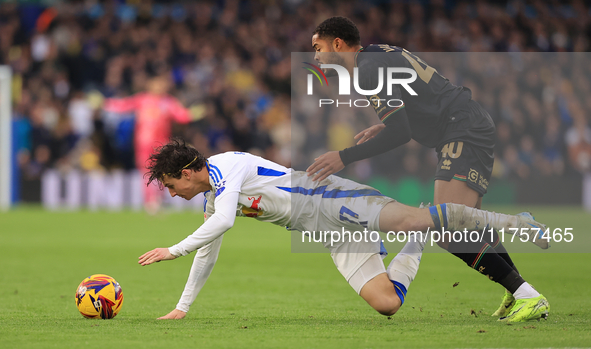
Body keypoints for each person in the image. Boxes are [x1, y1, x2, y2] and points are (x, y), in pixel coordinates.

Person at [138, 138, 549, 322]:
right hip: (328, 232)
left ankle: (517, 223)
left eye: (172, 186)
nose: (173, 195)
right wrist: (183, 306)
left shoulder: (226, 167)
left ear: (187, 171)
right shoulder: (213, 198)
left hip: (329, 198)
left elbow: (225, 221)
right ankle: (417, 241)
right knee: (387, 304)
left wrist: (173, 250)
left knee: (413, 217)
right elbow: (210, 247)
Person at [306, 16, 538, 318]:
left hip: (461, 128)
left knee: (447, 228)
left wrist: (344, 156)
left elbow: (400, 132)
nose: (316, 56)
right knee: (470, 225)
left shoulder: (367, 71)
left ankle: (525, 291)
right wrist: (386, 124)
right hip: (467, 122)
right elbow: (417, 101)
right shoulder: (377, 53)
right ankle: (517, 290)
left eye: (318, 47)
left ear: (337, 43)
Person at [102, 75, 204, 213]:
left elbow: (181, 115)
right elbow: (123, 105)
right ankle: (150, 202)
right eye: (157, 84)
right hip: (143, 143)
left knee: (164, 173)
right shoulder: (142, 99)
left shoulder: (168, 102)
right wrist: (104, 103)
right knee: (147, 173)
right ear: (150, 85)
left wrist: (192, 113)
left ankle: (159, 200)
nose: (160, 87)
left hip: (162, 144)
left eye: (162, 85)